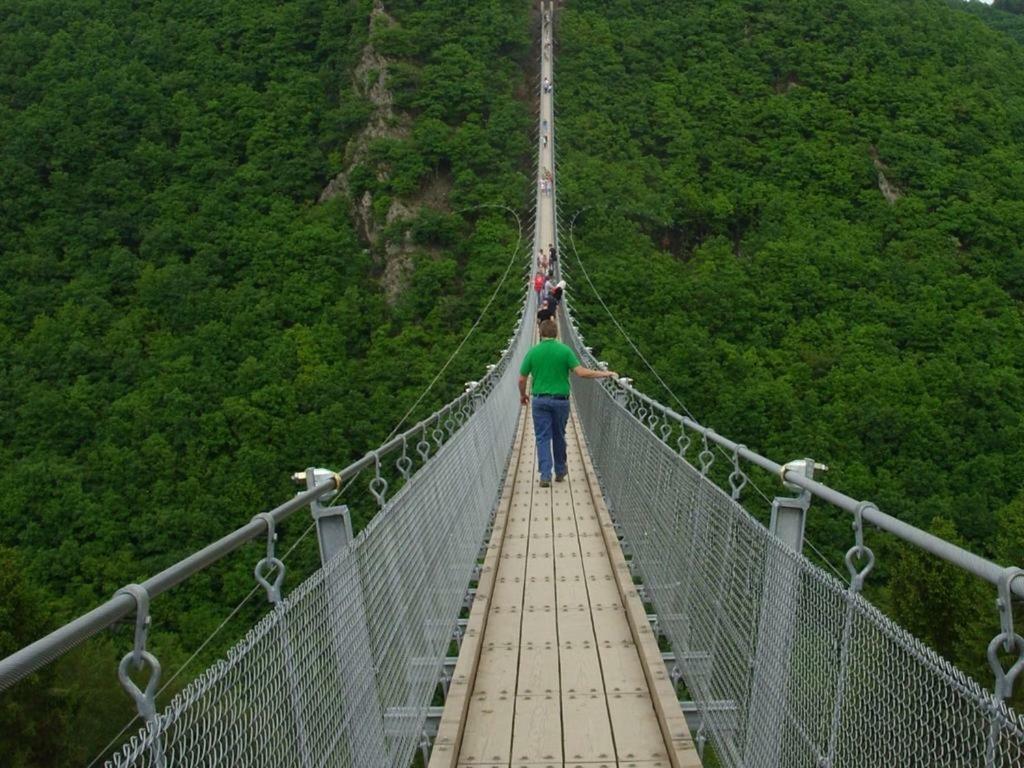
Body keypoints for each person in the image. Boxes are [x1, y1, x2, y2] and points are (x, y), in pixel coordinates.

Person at [519, 319, 618, 487]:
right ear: (556, 334)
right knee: (559, 435)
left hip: (540, 400)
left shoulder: (533, 352)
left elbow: (522, 379)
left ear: (540, 334)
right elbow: (580, 372)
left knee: (542, 437)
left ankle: (544, 475)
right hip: (560, 401)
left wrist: (523, 395)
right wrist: (604, 373)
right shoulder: (565, 350)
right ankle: (559, 471)